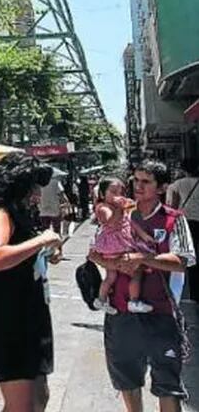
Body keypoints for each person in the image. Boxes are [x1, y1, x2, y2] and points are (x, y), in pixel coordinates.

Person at [89, 160, 196, 412]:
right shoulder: (119, 212)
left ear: (162, 188)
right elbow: (94, 251)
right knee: (127, 380)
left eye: (146, 181)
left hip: (160, 312)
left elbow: (182, 261)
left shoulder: (173, 219)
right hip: (121, 312)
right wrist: (109, 261)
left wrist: (143, 258)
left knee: (168, 385)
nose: (138, 186)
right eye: (135, 180)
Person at [0, 152, 62, 412]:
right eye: (33, 188)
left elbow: (19, 251)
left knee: (38, 398)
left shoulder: (16, 212)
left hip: (25, 310)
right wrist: (42, 240)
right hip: (7, 314)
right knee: (21, 406)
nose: (38, 195)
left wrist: (45, 251)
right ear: (18, 185)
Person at [91, 178, 155, 314]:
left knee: (111, 276)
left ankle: (101, 300)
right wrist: (120, 208)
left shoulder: (120, 208)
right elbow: (111, 222)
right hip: (115, 246)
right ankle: (134, 301)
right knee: (136, 271)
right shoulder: (103, 207)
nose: (118, 195)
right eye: (113, 192)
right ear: (102, 194)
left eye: (121, 192)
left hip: (119, 245)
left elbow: (131, 223)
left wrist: (144, 236)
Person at [166, 158, 199, 299]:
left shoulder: (176, 185)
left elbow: (172, 207)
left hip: (186, 223)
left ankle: (195, 292)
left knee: (191, 256)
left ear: (183, 169)